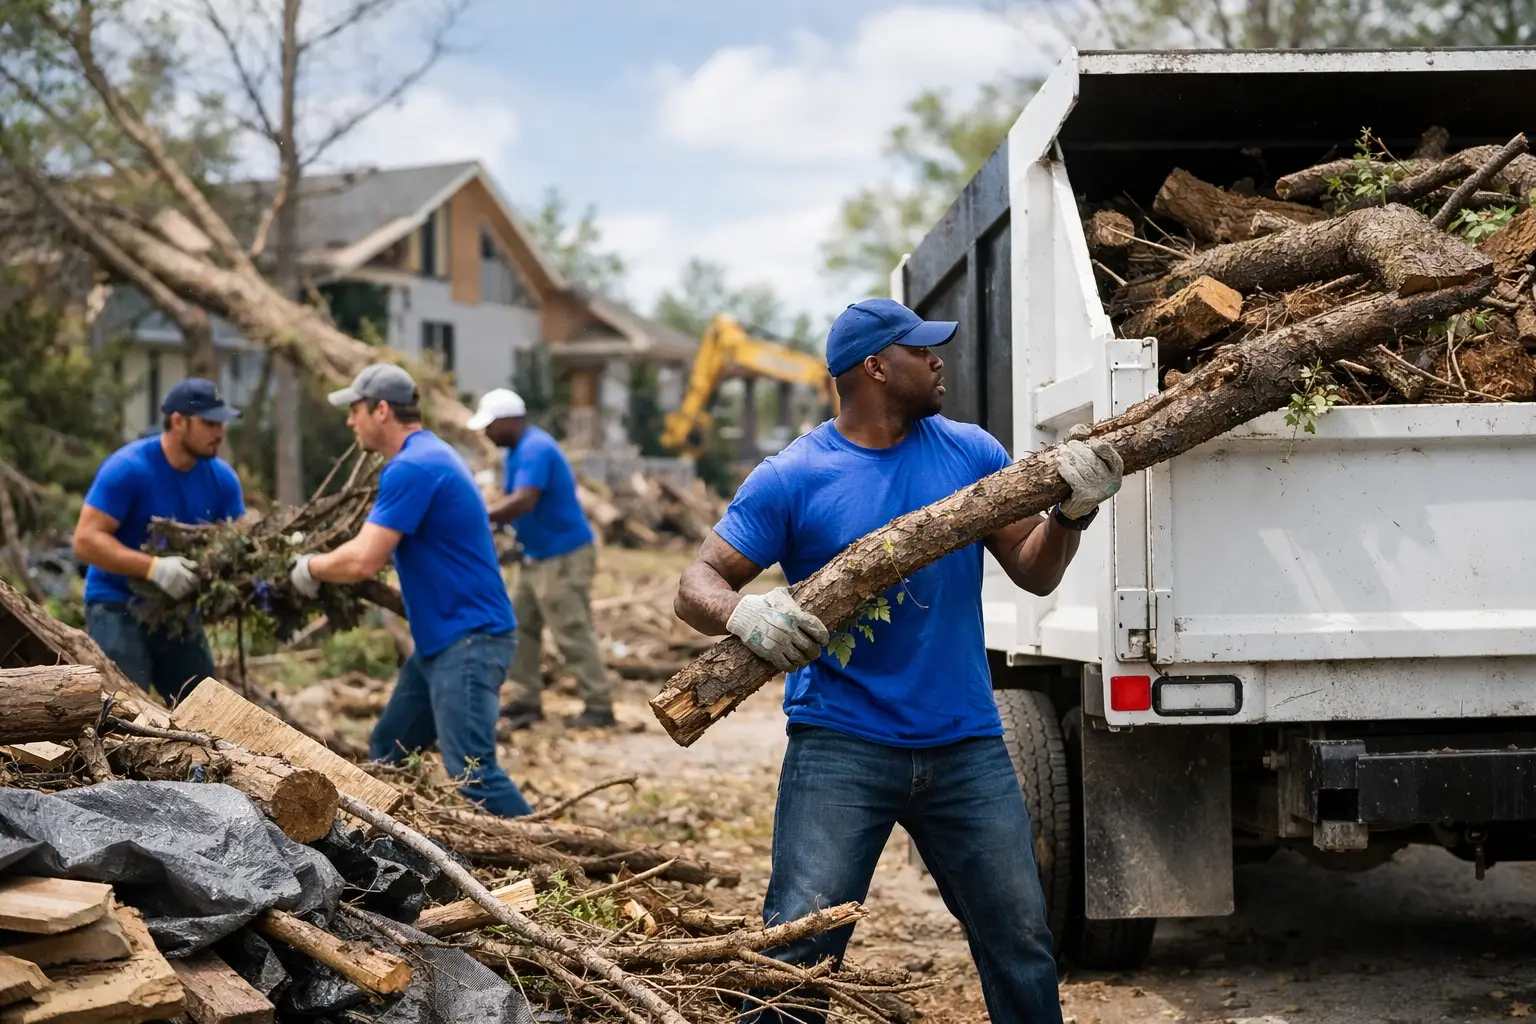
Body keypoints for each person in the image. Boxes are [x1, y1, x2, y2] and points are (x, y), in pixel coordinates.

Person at [673, 298, 1123, 1024]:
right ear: (877, 367)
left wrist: (1071, 516)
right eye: (922, 349)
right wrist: (743, 612)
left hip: (965, 744)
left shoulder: (971, 452)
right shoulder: (794, 475)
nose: (939, 359)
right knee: (798, 951)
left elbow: (1036, 573)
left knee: (1020, 942)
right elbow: (696, 585)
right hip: (840, 746)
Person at [289, 365, 531, 817]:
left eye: (355, 410)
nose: (349, 421)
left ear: (381, 411)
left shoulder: (414, 467)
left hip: (470, 639)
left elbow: (364, 559)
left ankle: (556, 863)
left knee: (474, 773)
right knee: (389, 748)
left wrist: (310, 567)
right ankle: (397, 841)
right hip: (447, 640)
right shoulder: (428, 456)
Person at [74, 378, 244, 703]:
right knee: (124, 708)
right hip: (117, 604)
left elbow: (240, 538)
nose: (219, 433)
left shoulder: (222, 478)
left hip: (177, 609)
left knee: (206, 707)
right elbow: (86, 540)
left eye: (221, 423)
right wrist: (152, 568)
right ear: (178, 421)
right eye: (209, 423)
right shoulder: (129, 468)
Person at [469, 388, 615, 731]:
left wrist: (477, 516)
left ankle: (599, 705)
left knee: (571, 629)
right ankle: (525, 700)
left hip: (563, 555)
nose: (486, 433)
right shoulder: (516, 452)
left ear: (508, 421)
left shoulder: (536, 447)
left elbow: (524, 501)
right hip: (536, 556)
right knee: (520, 625)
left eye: (490, 426)